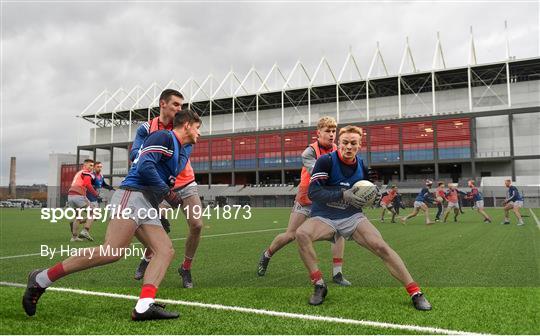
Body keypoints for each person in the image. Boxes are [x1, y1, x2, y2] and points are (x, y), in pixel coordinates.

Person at [22, 110, 201, 321]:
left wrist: (163, 195)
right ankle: (41, 279)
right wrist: (166, 192)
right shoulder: (164, 137)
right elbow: (144, 166)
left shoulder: (180, 148)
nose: (199, 133)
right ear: (187, 125)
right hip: (132, 196)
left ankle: (144, 306)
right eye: (198, 127)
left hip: (146, 202)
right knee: (112, 251)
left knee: (165, 250)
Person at [294, 125, 431, 310]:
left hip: (352, 217)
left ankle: (415, 292)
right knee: (301, 234)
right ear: (339, 143)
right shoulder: (325, 161)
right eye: (344, 143)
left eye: (353, 143)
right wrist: (343, 194)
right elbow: (314, 192)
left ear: (359, 145)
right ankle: (319, 285)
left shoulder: (361, 165)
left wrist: (374, 197)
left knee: (381, 246)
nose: (348, 147)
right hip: (325, 217)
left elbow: (367, 190)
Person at [257, 117, 352, 286]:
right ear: (318, 133)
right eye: (327, 131)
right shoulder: (310, 152)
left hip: (326, 198)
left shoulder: (338, 150)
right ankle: (267, 255)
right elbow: (320, 175)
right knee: (290, 235)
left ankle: (337, 273)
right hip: (307, 197)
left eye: (333, 131)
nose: (331, 135)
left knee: (339, 231)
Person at [130, 89, 203, 289]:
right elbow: (135, 153)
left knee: (197, 225)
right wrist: (146, 158)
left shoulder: (185, 126)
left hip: (185, 183)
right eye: (176, 105)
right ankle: (148, 256)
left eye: (182, 105)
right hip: (159, 185)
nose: (180, 109)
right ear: (163, 104)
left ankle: (186, 268)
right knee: (151, 224)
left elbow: (180, 161)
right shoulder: (146, 128)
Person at [74, 161, 116, 241]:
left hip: (93, 198)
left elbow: (103, 184)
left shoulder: (100, 176)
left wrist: (110, 187)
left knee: (95, 216)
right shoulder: (91, 176)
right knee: (94, 215)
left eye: (100, 167)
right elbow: (87, 185)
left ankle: (78, 223)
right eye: (98, 167)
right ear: (94, 167)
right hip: (88, 198)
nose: (99, 168)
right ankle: (85, 230)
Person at [67, 159, 99, 241]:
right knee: (94, 212)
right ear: (84, 166)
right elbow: (87, 184)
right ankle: (85, 231)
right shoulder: (86, 173)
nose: (91, 167)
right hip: (79, 196)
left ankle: (74, 237)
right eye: (90, 165)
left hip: (70, 196)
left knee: (78, 217)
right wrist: (96, 194)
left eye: (92, 166)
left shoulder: (79, 173)